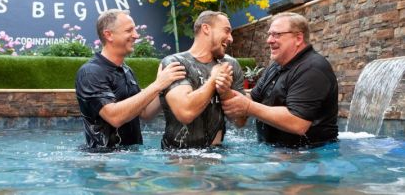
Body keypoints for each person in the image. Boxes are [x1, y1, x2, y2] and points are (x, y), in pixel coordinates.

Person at [222, 12, 338, 148]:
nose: (269, 40)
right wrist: (225, 90)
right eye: (270, 34)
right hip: (276, 151)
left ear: (298, 38)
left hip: (309, 156)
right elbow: (253, 97)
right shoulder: (277, 66)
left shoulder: (313, 68)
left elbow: (297, 123)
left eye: (277, 34)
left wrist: (248, 107)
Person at [75, 9, 186, 150]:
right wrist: (157, 85)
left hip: (131, 157)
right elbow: (114, 117)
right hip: (103, 161)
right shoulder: (90, 72)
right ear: (108, 35)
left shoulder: (126, 70)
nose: (136, 35)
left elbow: (145, 113)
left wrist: (165, 86)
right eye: (129, 30)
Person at [159, 10, 247, 149]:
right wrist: (213, 81)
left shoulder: (230, 65)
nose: (231, 38)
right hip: (179, 156)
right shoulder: (175, 62)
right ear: (206, 28)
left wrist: (226, 93)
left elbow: (240, 122)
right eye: (226, 31)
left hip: (218, 154)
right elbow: (185, 112)